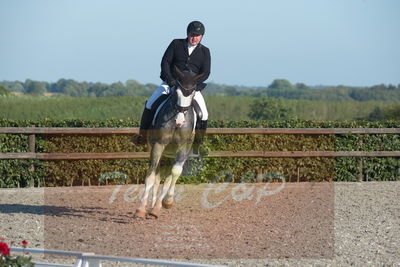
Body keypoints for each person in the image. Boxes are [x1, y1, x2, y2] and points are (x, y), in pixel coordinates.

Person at [133, 21, 211, 155]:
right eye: (193, 35)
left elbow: (206, 72)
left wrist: (194, 86)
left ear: (202, 36)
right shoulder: (176, 44)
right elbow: (165, 62)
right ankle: (142, 136)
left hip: (191, 88)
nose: (195, 38)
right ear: (188, 34)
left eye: (198, 35)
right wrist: (170, 80)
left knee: (203, 114)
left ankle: (198, 145)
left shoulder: (205, 51)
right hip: (171, 83)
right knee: (150, 104)